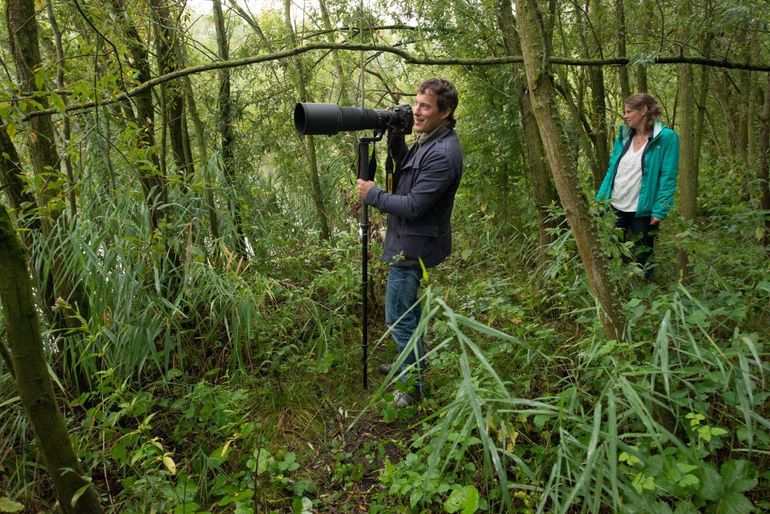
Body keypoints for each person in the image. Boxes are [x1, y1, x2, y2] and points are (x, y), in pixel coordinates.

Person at [356, 78, 463, 408]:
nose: (416, 111)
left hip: (412, 248)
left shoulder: (443, 154)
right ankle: (410, 363)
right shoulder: (431, 138)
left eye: (425, 107)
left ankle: (413, 387)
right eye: (415, 104)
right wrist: (396, 138)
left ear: (445, 112)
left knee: (398, 318)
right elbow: (406, 170)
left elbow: (414, 205)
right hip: (410, 240)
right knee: (408, 315)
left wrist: (373, 195)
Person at [596, 93, 680, 280]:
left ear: (643, 111)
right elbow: (612, 170)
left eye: (628, 111)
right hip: (615, 205)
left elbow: (668, 177)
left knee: (644, 255)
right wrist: (600, 200)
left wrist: (660, 210)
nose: (625, 116)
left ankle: (645, 294)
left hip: (642, 209)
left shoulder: (666, 138)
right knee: (610, 251)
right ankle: (616, 291)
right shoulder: (624, 135)